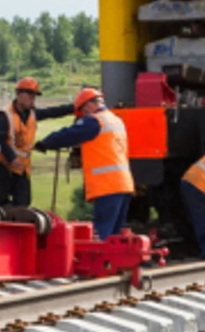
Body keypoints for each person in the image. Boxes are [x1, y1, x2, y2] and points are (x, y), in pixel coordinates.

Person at [31, 87, 135, 240]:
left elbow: (70, 134)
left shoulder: (94, 121)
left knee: (101, 234)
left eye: (83, 112)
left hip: (108, 186)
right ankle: (116, 263)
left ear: (89, 106)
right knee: (115, 236)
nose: (83, 116)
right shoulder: (116, 120)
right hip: (124, 185)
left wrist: (46, 143)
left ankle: (100, 263)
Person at [0, 77, 78, 208]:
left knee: (23, 203)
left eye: (34, 96)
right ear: (19, 94)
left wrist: (73, 108)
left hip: (22, 168)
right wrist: (12, 158)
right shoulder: (4, 114)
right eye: (30, 95)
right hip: (4, 165)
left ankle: (16, 226)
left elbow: (52, 112)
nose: (33, 99)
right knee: (2, 201)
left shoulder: (32, 113)